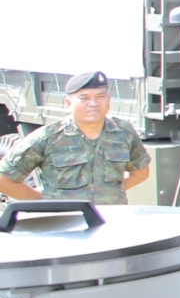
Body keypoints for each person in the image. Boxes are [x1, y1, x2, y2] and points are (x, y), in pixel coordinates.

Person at [0, 71, 151, 205]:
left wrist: (110, 193)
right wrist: (42, 201)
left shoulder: (124, 133)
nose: (94, 103)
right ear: (68, 103)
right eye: (84, 98)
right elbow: (3, 179)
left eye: (100, 96)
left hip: (110, 220)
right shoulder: (47, 138)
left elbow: (140, 172)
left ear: (108, 99)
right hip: (65, 221)